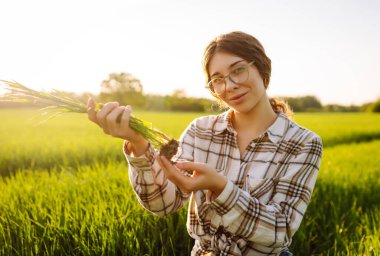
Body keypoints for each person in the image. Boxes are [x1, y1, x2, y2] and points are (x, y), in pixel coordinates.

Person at [87, 31, 323, 255]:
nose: (229, 86)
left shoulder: (303, 143)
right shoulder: (201, 131)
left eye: (238, 70)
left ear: (262, 67)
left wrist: (220, 188)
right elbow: (162, 204)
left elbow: (279, 230)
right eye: (217, 80)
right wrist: (137, 142)